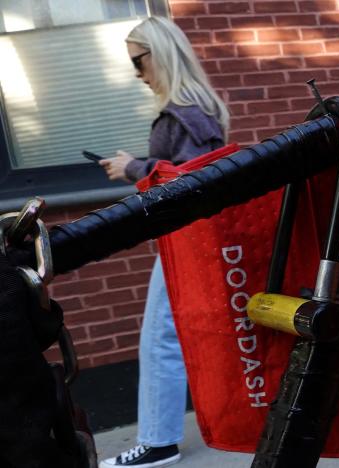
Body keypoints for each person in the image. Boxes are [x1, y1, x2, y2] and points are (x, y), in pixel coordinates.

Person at [98, 16, 229, 468]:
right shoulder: (201, 108)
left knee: (160, 337)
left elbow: (188, 183)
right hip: (199, 238)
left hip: (185, 240)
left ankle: (158, 442)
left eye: (138, 61)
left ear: (161, 53)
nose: (137, 73)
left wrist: (135, 168)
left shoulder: (183, 113)